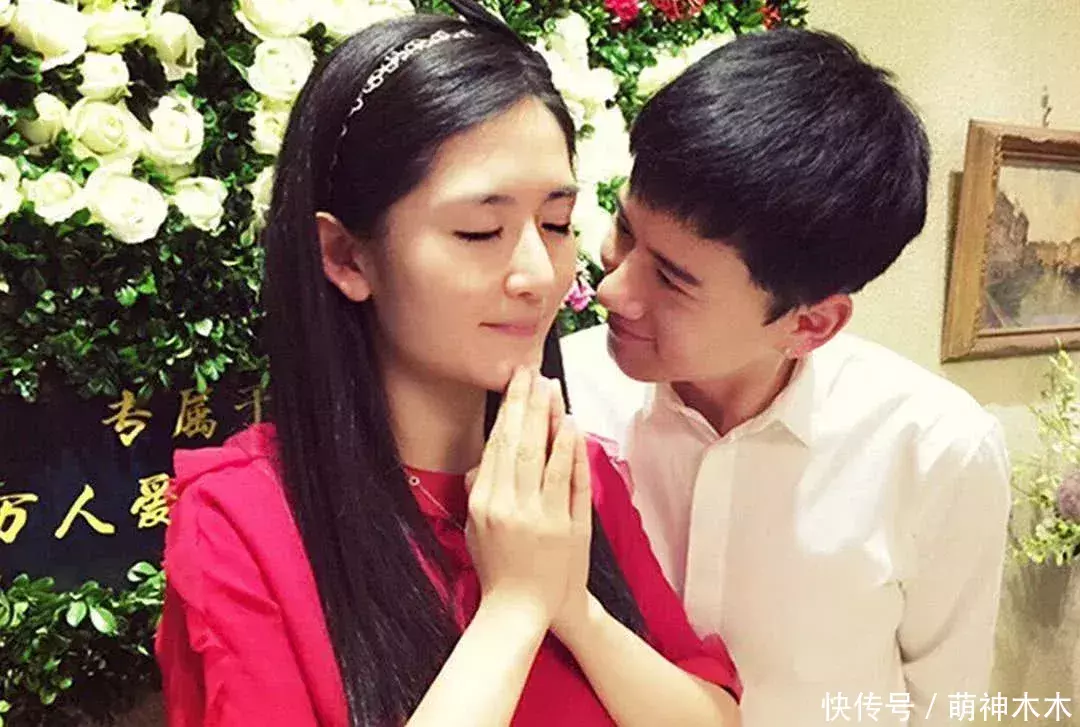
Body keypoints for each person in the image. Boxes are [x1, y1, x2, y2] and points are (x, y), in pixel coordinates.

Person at [155, 4, 743, 726]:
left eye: (556, 223)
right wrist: (514, 608)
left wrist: (573, 607)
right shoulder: (242, 520)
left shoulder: (568, 474)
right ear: (346, 256)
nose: (540, 273)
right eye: (480, 230)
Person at [561, 28, 1011, 727]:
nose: (613, 288)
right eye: (624, 230)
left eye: (673, 280)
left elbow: (945, 703)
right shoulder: (560, 392)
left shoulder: (934, 448)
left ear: (810, 325)